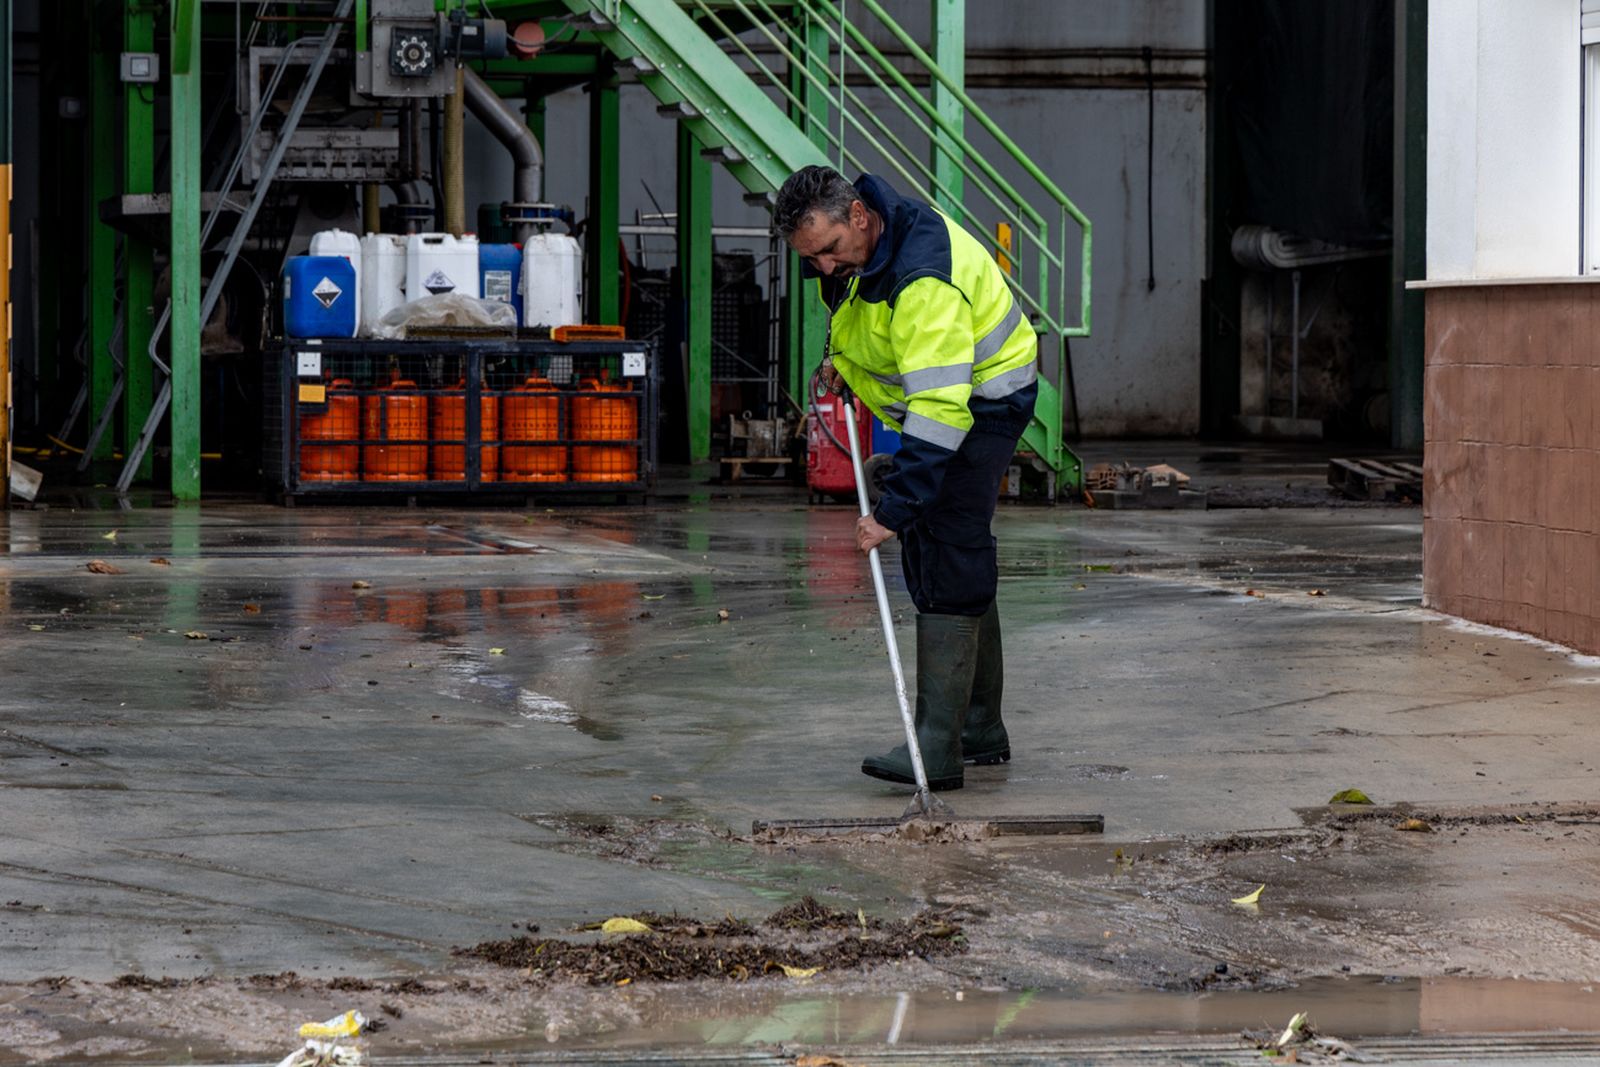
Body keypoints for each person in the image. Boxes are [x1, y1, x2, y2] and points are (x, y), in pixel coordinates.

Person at [774, 165, 1039, 792]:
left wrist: (895, 511)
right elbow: (866, 322)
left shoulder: (924, 278)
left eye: (830, 250)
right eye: (810, 260)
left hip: (984, 401)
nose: (824, 269)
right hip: (948, 398)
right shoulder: (858, 252)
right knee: (952, 542)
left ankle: (939, 748)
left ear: (860, 216)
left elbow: (943, 409)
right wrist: (846, 366)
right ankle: (978, 728)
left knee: (946, 537)